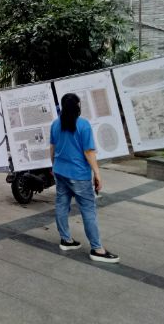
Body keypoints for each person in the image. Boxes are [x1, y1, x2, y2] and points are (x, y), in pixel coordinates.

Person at [50, 93, 119, 263]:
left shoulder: (55, 124)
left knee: (61, 204)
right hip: (78, 175)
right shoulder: (83, 125)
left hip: (60, 171)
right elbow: (89, 152)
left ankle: (66, 240)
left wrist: (54, 165)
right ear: (78, 106)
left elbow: (52, 148)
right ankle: (97, 249)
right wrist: (97, 173)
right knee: (88, 210)